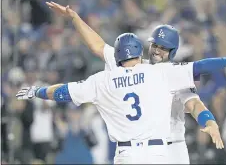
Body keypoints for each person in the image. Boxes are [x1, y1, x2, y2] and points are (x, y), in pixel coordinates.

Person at [45, 1, 226, 164]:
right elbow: (98, 46)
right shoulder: (132, 65)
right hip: (139, 149)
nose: (157, 51)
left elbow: (194, 104)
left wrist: (209, 121)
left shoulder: (173, 74)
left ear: (173, 51)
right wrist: (74, 17)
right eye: (155, 45)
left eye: (163, 48)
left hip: (173, 148)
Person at [17, 33, 207, 164]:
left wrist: (37, 91)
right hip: (158, 152)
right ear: (140, 53)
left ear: (117, 55)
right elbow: (198, 68)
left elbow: (63, 92)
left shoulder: (104, 80)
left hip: (127, 153)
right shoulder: (155, 72)